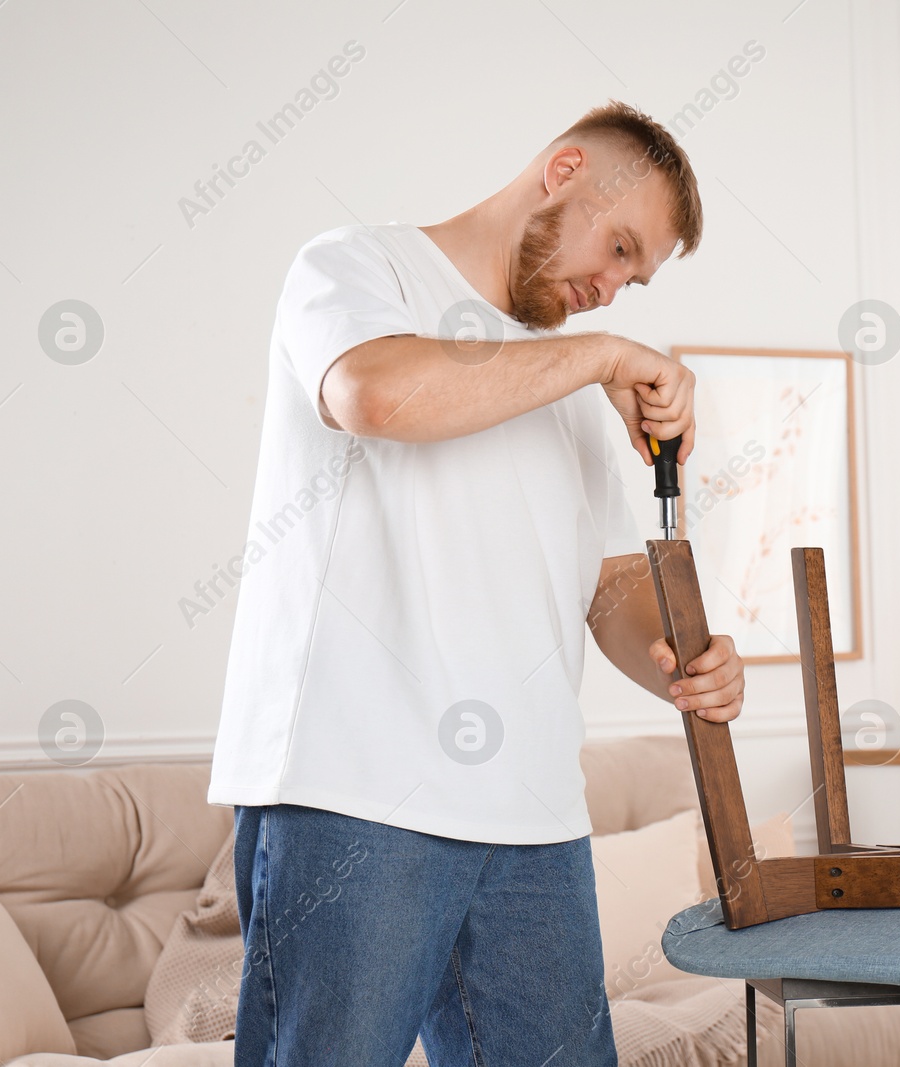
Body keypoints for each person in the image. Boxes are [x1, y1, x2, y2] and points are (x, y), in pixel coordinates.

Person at [208, 100, 746, 1067]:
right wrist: (602, 359)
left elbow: (608, 587)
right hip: (354, 800)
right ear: (564, 169)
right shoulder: (357, 267)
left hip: (533, 822)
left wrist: (683, 660)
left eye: (636, 275)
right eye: (618, 246)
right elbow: (372, 392)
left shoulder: (567, 391)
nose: (613, 289)